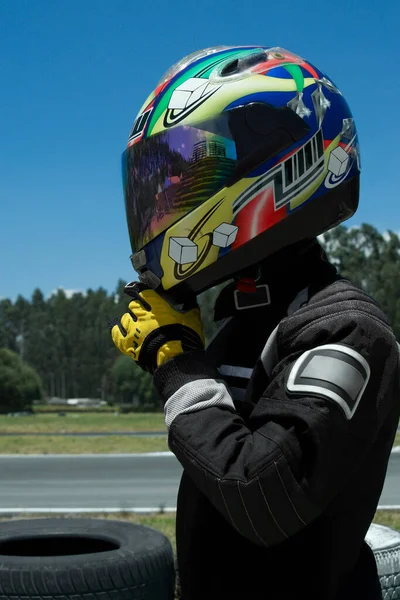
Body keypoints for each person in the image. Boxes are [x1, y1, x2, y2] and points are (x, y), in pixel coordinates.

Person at [111, 45, 400, 599]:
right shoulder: (246, 319)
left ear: (281, 163)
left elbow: (262, 495)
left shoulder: (346, 330)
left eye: (187, 180)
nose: (167, 200)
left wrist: (176, 360)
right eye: (161, 186)